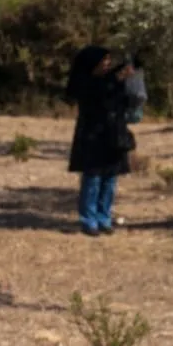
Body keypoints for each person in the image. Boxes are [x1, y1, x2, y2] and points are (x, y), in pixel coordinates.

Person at [65, 45, 141, 237]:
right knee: (93, 179)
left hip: (113, 135)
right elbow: (98, 93)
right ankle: (89, 220)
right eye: (103, 60)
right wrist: (117, 79)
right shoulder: (86, 83)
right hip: (93, 136)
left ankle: (104, 218)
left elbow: (121, 95)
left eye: (108, 60)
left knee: (109, 179)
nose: (107, 64)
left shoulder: (110, 80)